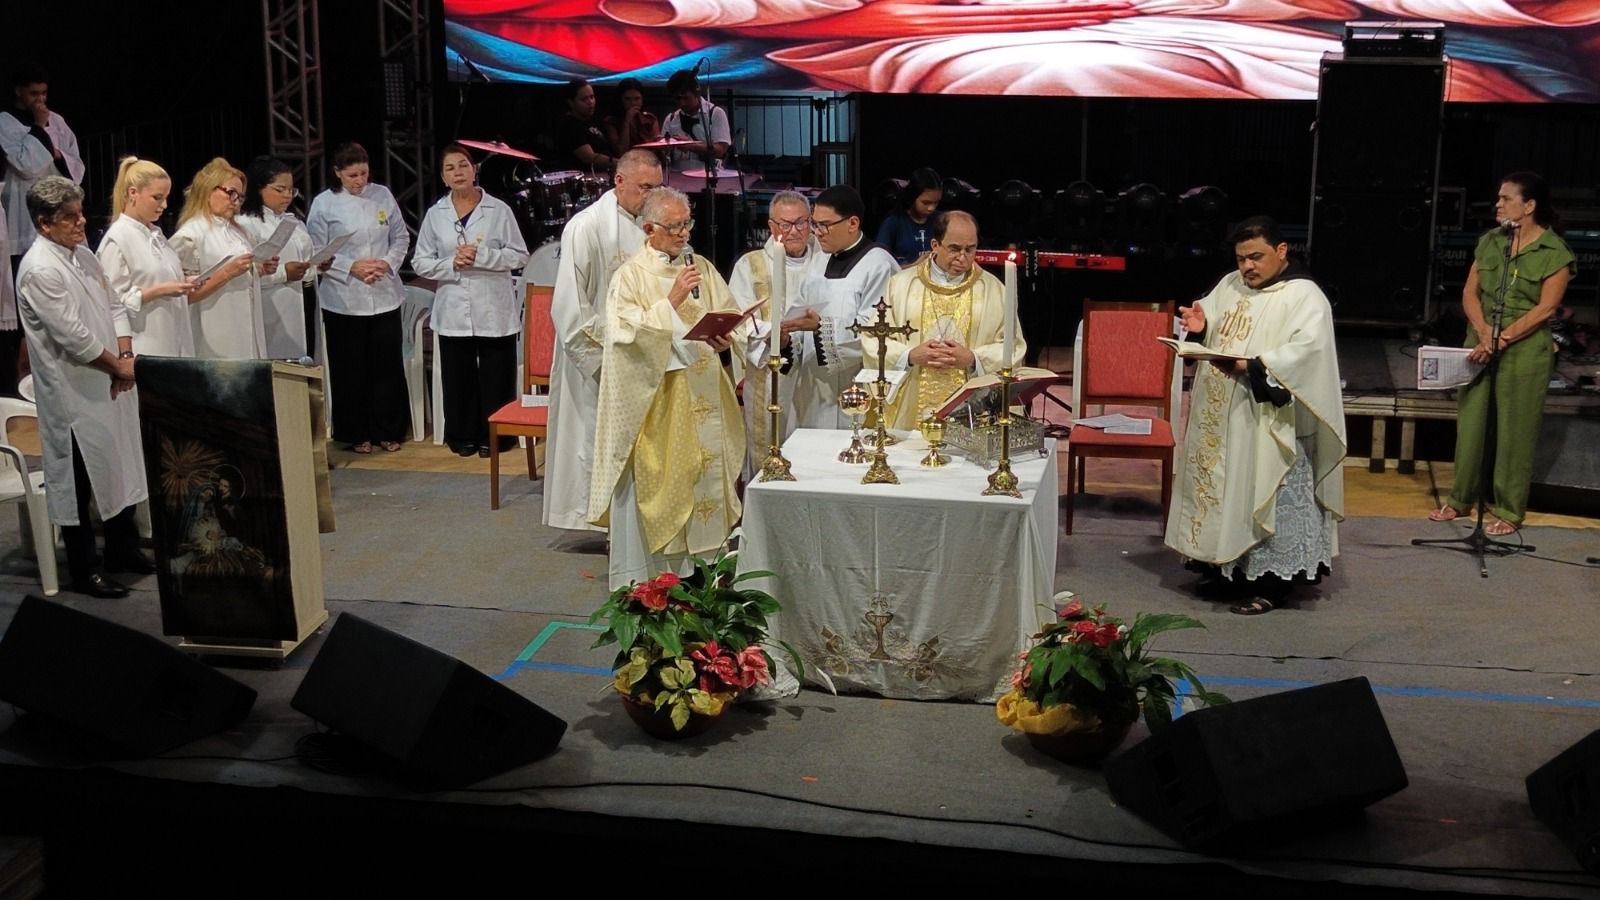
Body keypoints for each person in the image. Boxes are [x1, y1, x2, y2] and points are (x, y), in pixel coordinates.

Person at [1165, 215, 1346, 616]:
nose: (1247, 267)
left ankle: (1270, 584)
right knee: (1223, 490)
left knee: (1267, 495)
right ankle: (1224, 569)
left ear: (1282, 251)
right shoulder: (1230, 284)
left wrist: (1252, 367)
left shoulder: (1304, 296)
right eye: (1241, 258)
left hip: (1268, 420)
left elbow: (1308, 354)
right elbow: (1212, 322)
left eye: (1256, 257)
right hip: (1223, 417)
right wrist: (1199, 327)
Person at [588, 187, 747, 588]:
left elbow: (726, 314)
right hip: (662, 404)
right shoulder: (630, 276)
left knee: (708, 482)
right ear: (649, 228)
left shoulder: (703, 268)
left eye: (687, 224)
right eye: (674, 226)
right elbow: (624, 338)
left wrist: (725, 338)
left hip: (707, 392)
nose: (683, 234)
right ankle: (662, 582)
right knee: (670, 488)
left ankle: (707, 575)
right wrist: (670, 302)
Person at [15, 176, 150, 599]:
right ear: (43, 223)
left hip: (107, 379)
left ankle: (122, 551)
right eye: (69, 217)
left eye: (80, 212)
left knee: (119, 462)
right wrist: (118, 368)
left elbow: (112, 306)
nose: (81, 222)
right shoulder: (39, 269)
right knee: (78, 480)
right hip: (72, 393)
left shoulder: (82, 256)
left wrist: (124, 356)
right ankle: (83, 568)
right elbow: (74, 337)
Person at [1428, 172, 1574, 537]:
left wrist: (1501, 338)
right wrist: (1482, 332)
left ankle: (1509, 509)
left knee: (1515, 430)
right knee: (1472, 424)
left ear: (1529, 206)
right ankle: (1461, 499)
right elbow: (1469, 292)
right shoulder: (1491, 241)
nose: (1497, 204)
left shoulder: (1554, 252)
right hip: (1480, 342)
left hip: (1524, 348)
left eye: (1506, 199)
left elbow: (1546, 308)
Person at [543, 148, 663, 531]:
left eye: (657, 188)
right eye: (645, 187)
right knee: (595, 441)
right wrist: (604, 360)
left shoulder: (655, 224)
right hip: (601, 357)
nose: (652, 197)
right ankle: (600, 523)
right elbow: (569, 305)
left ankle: (638, 522)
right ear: (619, 181)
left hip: (644, 353)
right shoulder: (587, 226)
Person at [411, 143, 531, 457]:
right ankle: (462, 436)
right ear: (443, 176)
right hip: (452, 308)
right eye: (450, 168)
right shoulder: (436, 214)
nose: (458, 173)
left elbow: (519, 255)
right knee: (458, 376)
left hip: (493, 306)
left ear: (474, 169)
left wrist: (483, 256)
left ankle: (496, 436)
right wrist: (451, 264)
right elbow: (421, 262)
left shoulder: (498, 210)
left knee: (496, 375)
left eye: (463, 165)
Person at [306, 142, 411, 454]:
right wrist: (350, 267)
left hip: (384, 293)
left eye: (364, 173)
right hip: (343, 298)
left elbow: (401, 237)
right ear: (337, 173)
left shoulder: (382, 195)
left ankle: (388, 430)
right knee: (350, 368)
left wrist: (387, 263)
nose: (359, 180)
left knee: (387, 366)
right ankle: (355, 433)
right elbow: (316, 249)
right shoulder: (325, 203)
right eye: (352, 175)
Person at [868, 210, 1017, 429]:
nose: (963, 257)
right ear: (935, 245)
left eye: (970, 249)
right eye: (955, 249)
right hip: (910, 407)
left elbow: (1012, 347)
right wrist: (908, 356)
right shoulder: (900, 286)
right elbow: (873, 338)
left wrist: (974, 359)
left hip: (973, 412)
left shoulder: (993, 290)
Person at [787, 184, 899, 428]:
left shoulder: (879, 265)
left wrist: (821, 327)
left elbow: (875, 333)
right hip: (813, 388)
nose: (817, 233)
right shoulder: (819, 261)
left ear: (853, 223)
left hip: (856, 387)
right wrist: (787, 337)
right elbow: (800, 311)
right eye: (814, 224)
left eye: (824, 225)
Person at [2, 64, 83, 396]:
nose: (40, 100)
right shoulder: (6, 121)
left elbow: (74, 167)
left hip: (59, 214)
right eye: (34, 94)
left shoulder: (58, 121)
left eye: (44, 94)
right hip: (22, 222)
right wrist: (39, 130)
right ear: (19, 93)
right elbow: (27, 164)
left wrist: (53, 146)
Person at [728, 190, 820, 463]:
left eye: (801, 222)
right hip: (771, 375)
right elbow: (740, 319)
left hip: (817, 375)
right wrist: (773, 335)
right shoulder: (751, 265)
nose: (794, 231)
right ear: (770, 226)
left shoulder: (825, 258)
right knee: (771, 449)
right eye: (785, 224)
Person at [96, 157, 197, 357]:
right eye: (157, 197)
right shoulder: (117, 239)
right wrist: (160, 290)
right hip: (144, 344)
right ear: (133, 193)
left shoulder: (156, 235)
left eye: (166, 197)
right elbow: (111, 305)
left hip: (175, 340)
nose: (164, 205)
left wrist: (186, 282)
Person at [170, 158, 269, 360]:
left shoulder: (239, 232)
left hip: (246, 330)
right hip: (214, 335)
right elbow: (183, 295)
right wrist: (227, 272)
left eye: (240, 196)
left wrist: (259, 269)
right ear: (208, 190)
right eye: (231, 193)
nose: (236, 201)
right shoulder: (191, 235)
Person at [237, 156, 316, 359]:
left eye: (291, 190)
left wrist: (318, 265)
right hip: (270, 309)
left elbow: (306, 261)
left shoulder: (293, 221)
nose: (288, 196)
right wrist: (284, 273)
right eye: (280, 190)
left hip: (302, 302)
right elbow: (244, 274)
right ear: (258, 188)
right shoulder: (246, 224)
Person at [660, 70, 730, 173]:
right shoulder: (671, 119)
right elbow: (663, 154)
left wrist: (689, 145)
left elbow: (720, 150)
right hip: (678, 175)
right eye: (677, 99)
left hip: (708, 174)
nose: (682, 103)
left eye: (685, 98)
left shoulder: (715, 113)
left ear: (696, 92)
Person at [875, 168, 943, 265]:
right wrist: (914, 266)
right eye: (926, 203)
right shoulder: (893, 222)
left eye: (936, 203)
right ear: (912, 197)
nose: (931, 208)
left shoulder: (941, 220)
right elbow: (879, 265)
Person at [555, 79, 617, 172]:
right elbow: (588, 157)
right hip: (588, 179)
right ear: (571, 102)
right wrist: (620, 163)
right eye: (584, 99)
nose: (590, 102)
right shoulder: (570, 125)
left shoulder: (591, 121)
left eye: (592, 97)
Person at [602, 78, 661, 156]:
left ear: (642, 100)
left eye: (637, 99)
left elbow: (657, 147)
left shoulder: (650, 119)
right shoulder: (611, 121)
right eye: (627, 99)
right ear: (621, 100)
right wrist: (627, 121)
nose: (633, 103)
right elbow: (621, 151)